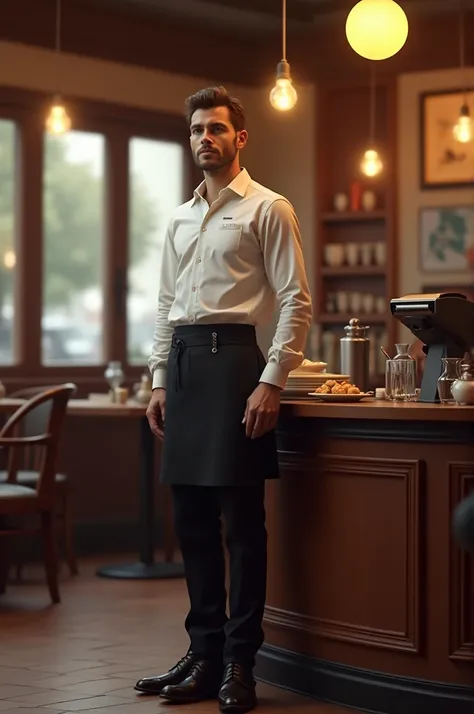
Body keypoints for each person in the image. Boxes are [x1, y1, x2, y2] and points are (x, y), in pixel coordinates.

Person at [135, 86, 312, 713]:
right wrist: (157, 379)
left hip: (236, 364)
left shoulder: (269, 208)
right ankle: (202, 653)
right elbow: (164, 306)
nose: (204, 138)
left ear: (240, 138)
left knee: (242, 526)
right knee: (191, 523)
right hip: (182, 368)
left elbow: (295, 300)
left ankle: (241, 664)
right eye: (196, 130)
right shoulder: (180, 218)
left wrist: (272, 380)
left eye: (215, 128)